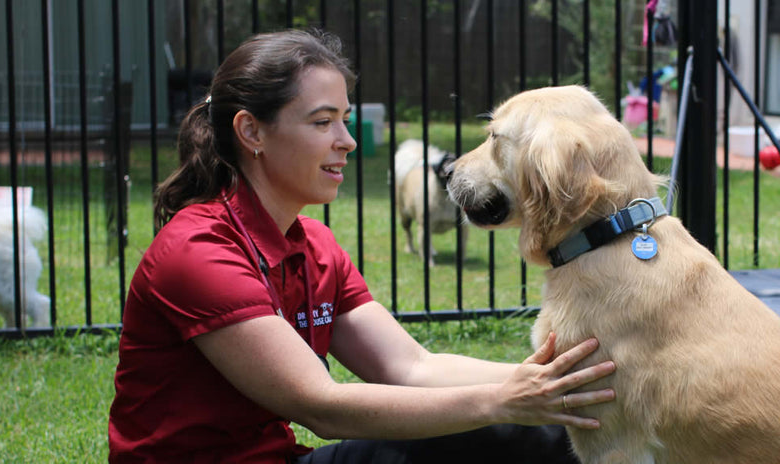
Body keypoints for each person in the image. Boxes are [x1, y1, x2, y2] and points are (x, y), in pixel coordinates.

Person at [107, 29, 616, 463]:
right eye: (322, 121)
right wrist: (502, 403)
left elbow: (410, 367)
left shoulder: (315, 245)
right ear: (251, 131)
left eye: (344, 119)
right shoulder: (199, 250)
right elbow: (321, 407)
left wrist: (553, 383)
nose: (347, 140)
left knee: (546, 432)